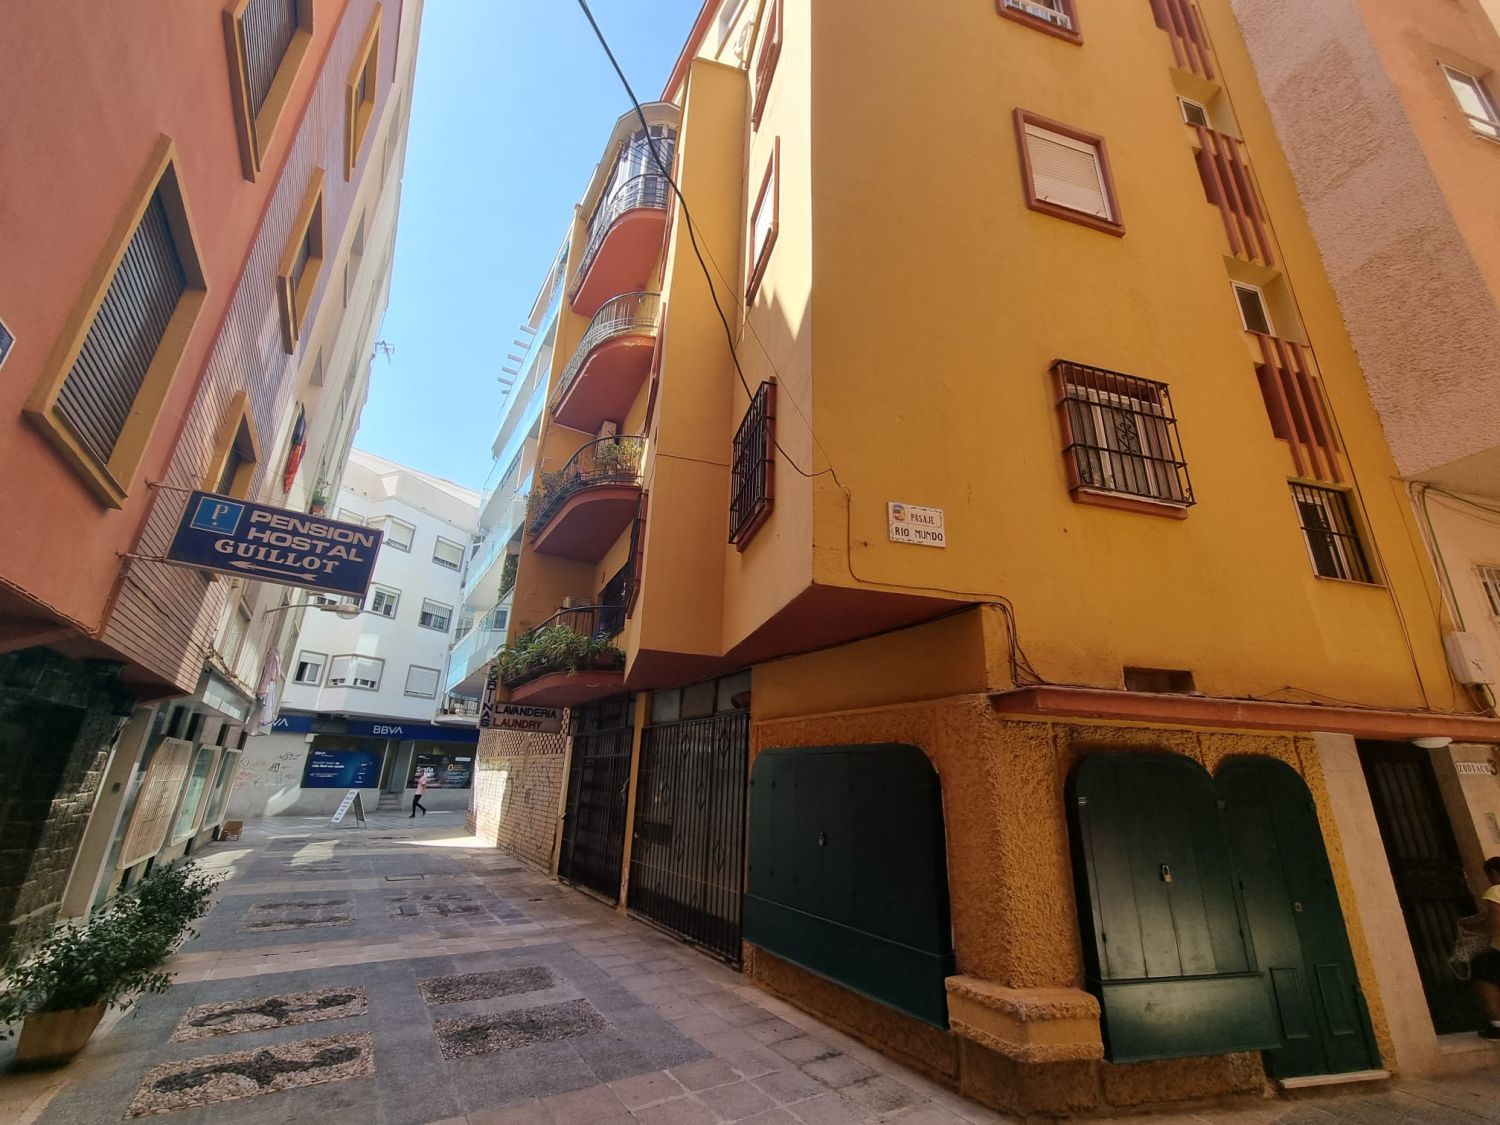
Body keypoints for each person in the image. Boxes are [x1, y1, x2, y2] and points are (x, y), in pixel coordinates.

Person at [1459, 856, 1500, 1038]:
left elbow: (1495, 924)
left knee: (1482, 969)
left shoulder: (1496, 891)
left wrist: (1471, 928)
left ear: (1493, 873)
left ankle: (1497, 1024)